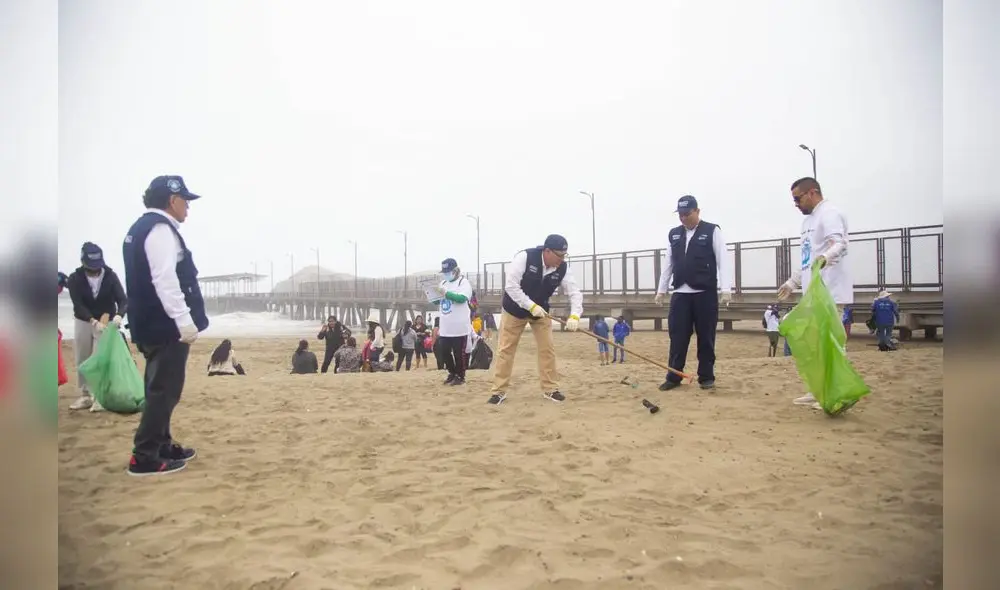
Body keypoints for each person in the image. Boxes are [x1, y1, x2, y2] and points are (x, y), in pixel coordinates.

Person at [122, 175, 207, 476]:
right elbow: (165, 280)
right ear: (172, 201)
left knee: (158, 386)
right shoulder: (159, 230)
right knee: (164, 391)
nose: (188, 207)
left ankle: (161, 444)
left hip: (147, 323)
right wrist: (184, 321)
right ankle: (144, 456)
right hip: (164, 325)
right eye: (185, 201)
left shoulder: (139, 228)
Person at [777, 177, 854, 408]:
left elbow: (839, 244)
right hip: (813, 292)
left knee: (832, 342)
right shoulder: (807, 222)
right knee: (815, 343)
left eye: (798, 198)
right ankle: (818, 388)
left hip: (831, 290)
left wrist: (825, 257)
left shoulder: (829, 213)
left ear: (812, 193)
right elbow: (807, 258)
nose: (796, 204)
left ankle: (839, 392)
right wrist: (792, 282)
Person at [487, 234, 583, 405]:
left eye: (564, 256)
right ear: (547, 251)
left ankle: (550, 389)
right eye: (559, 255)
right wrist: (530, 306)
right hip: (514, 309)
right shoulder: (525, 257)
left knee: (547, 349)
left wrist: (575, 315)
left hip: (541, 313)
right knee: (506, 350)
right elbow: (511, 286)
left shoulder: (562, 268)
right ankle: (499, 391)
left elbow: (575, 293)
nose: (561, 260)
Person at [654, 196, 731, 391]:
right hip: (680, 292)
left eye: (687, 214)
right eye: (680, 214)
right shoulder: (674, 234)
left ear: (697, 211)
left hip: (704, 292)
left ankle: (706, 376)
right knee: (677, 336)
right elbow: (668, 263)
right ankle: (674, 376)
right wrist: (661, 290)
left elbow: (723, 260)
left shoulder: (712, 230)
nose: (683, 218)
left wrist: (726, 289)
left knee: (706, 336)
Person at [66, 241, 129, 411]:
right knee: (83, 358)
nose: (94, 271)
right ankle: (86, 395)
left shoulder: (110, 276)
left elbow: (123, 300)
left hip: (106, 321)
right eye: (90, 267)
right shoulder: (74, 279)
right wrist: (92, 321)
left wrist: (118, 316)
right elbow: (78, 304)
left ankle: (100, 397)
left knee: (102, 359)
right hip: (83, 321)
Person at [433, 258, 474, 386]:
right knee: (444, 351)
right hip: (445, 326)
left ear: (455, 270)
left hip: (459, 326)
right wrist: (432, 294)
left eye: (448, 271)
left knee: (459, 353)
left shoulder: (463, 282)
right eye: (444, 272)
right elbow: (436, 301)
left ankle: (460, 376)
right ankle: (451, 372)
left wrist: (446, 293)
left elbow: (462, 298)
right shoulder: (443, 282)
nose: (446, 274)